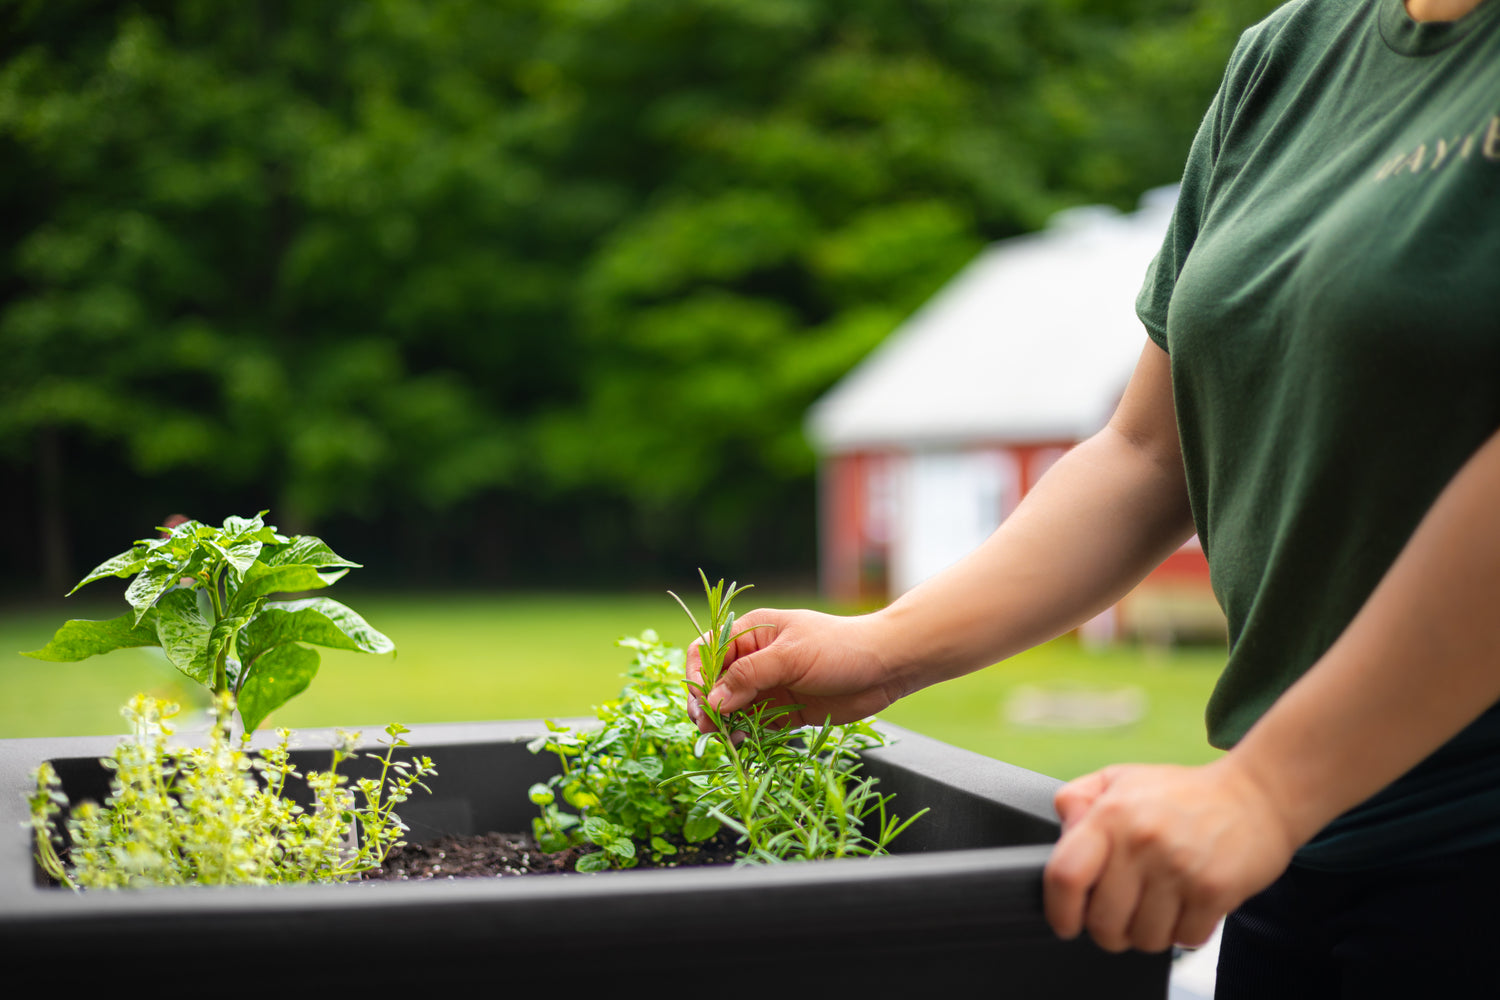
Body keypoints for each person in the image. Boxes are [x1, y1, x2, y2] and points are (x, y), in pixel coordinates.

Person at [686, 0, 1500, 993]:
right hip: (1304, 865)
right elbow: (1149, 453)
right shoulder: (1290, 58)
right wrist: (885, 646)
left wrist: (1268, 787)